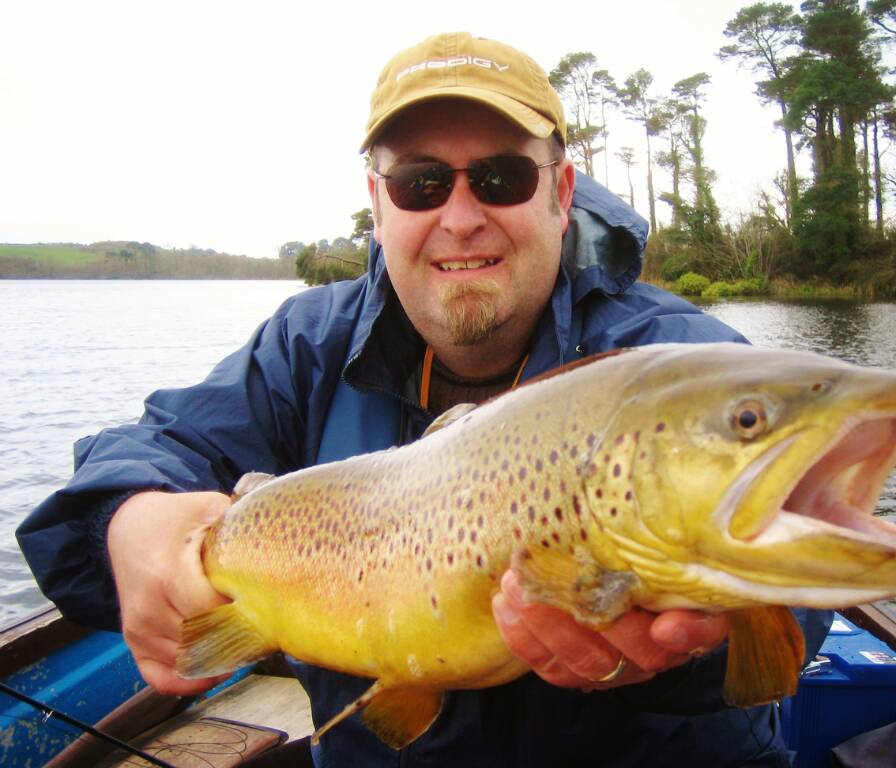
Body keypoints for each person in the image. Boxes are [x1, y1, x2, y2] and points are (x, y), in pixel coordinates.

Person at [18, 32, 830, 767]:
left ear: (560, 192)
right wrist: (128, 520)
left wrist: (696, 646)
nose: (462, 217)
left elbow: (806, 577)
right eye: (421, 183)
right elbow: (148, 454)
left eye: (502, 178)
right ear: (378, 204)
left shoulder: (682, 366)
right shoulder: (305, 347)